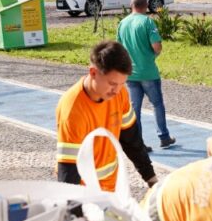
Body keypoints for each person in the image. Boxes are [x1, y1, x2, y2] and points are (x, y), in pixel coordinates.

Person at [56, 40, 158, 191]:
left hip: (112, 190)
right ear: (93, 73)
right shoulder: (72, 111)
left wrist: (152, 180)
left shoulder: (119, 94)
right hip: (84, 194)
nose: (116, 90)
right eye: (112, 83)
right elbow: (69, 172)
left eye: (122, 83)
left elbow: (131, 140)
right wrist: (76, 213)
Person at [116, 0, 176, 150]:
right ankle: (163, 137)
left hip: (131, 73)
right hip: (148, 72)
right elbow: (157, 46)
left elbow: (119, 49)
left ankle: (139, 143)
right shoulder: (148, 22)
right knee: (157, 104)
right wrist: (152, 56)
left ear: (131, 4)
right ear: (146, 5)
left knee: (135, 109)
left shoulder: (122, 23)